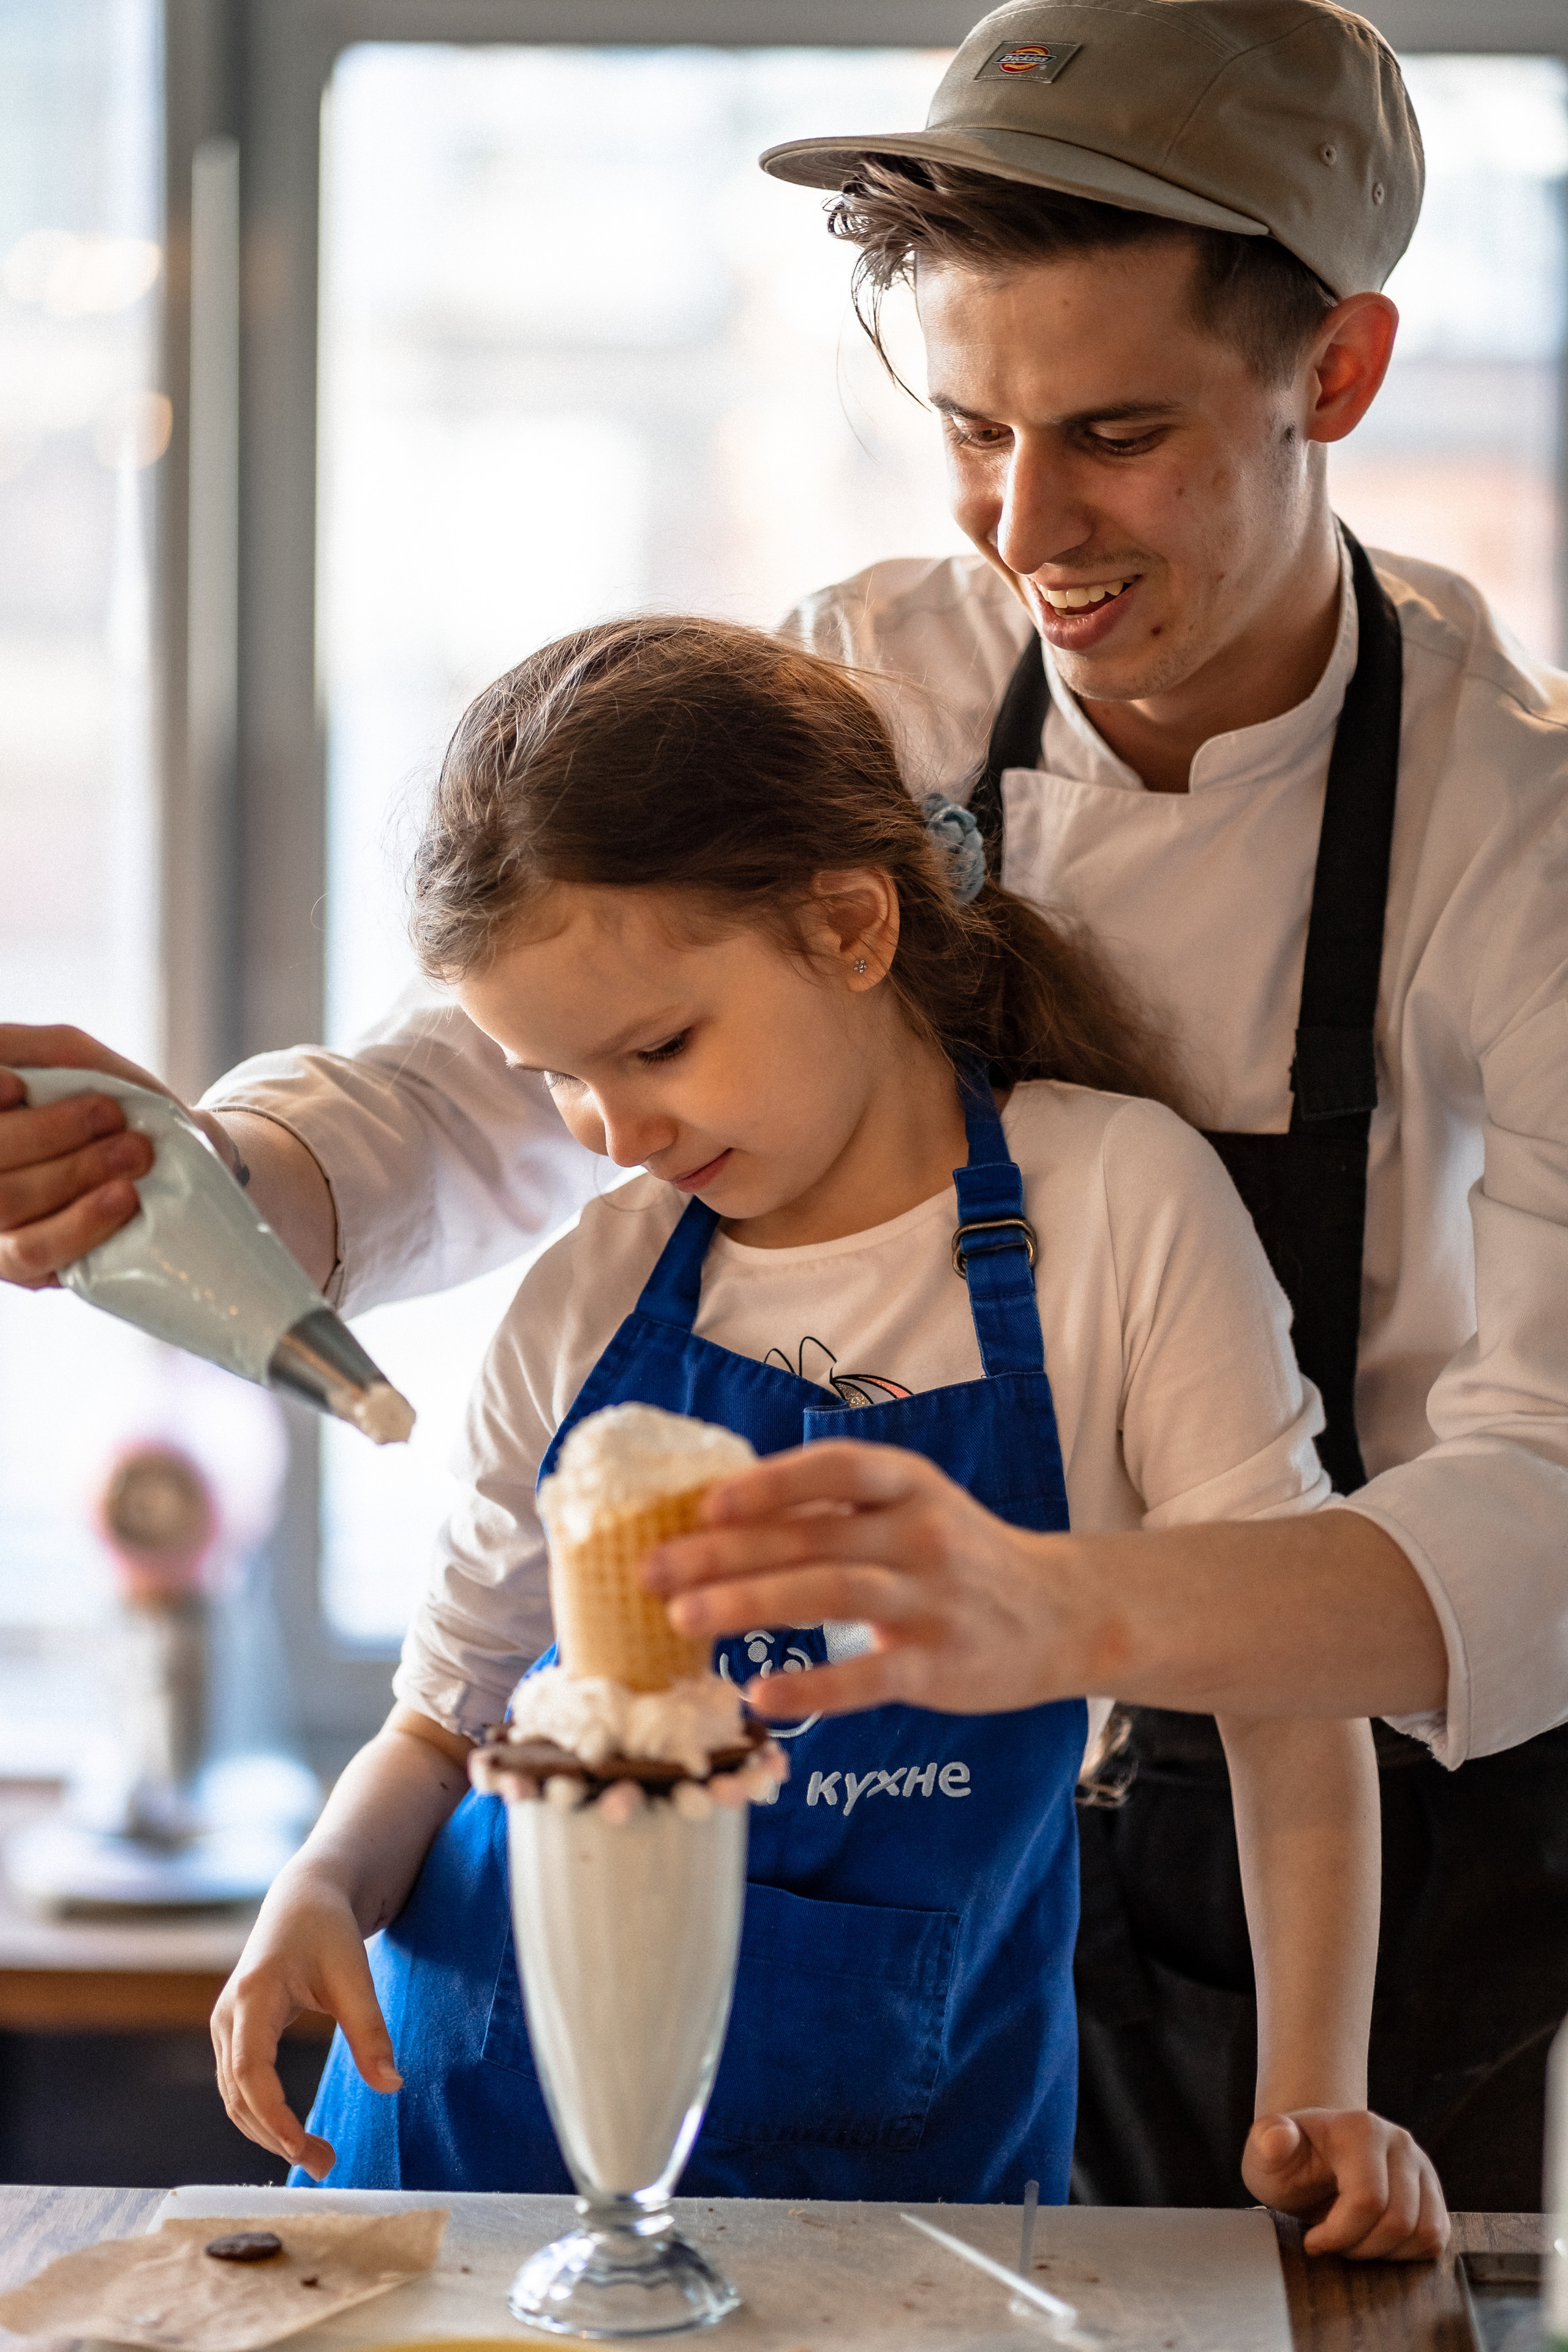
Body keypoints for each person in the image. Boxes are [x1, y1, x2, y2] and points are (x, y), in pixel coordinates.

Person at [1, 0, 1564, 2206]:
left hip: (1343, 1802)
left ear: (1340, 372)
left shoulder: (1523, 827)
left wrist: (1070, 1612)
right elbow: (538, 1061)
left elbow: (1550, 1480)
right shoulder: (881, 667)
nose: (1030, 524)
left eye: (1116, 434)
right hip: (892, 1827)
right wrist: (201, 1180)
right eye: (971, 430)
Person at [210, 614, 1442, 2252]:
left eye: (658, 1048)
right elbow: (448, 1725)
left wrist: (1316, 2094)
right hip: (482, 2133)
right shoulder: (592, 1293)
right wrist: (322, 1881)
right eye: (557, 1080)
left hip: (901, 2170)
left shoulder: (1118, 1210)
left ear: (853, 926)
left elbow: (1289, 1681)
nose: (615, 1132)